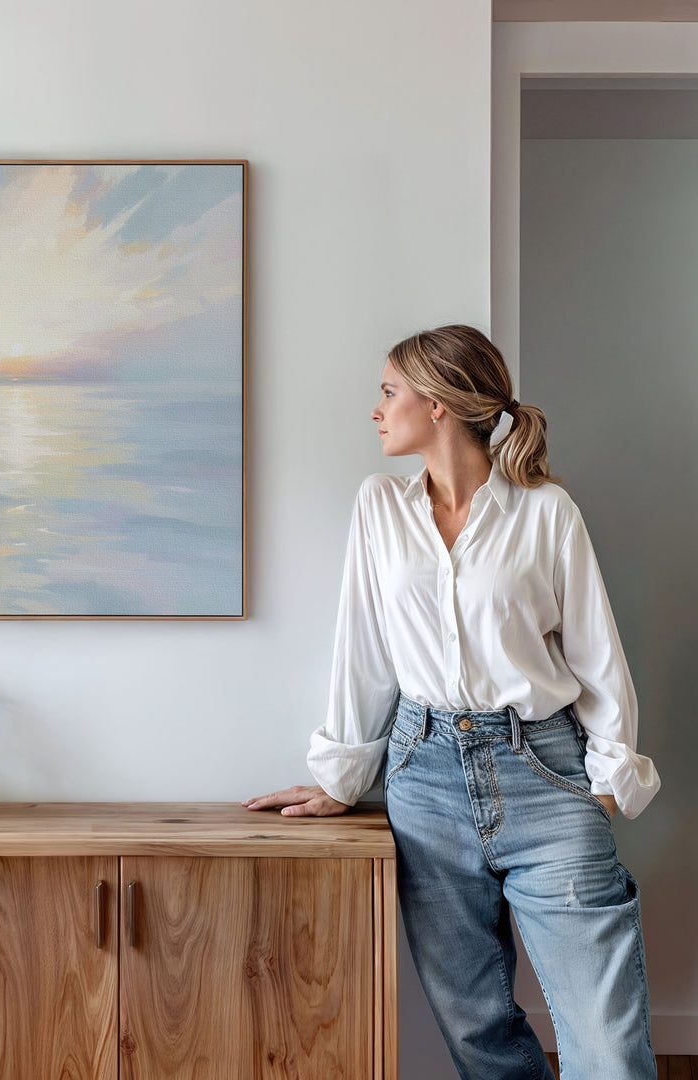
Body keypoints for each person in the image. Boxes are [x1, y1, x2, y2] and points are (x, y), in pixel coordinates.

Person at [243, 325, 660, 1080]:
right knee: (478, 1032)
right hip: (423, 776)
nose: (376, 410)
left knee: (606, 1040)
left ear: (437, 405)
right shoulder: (379, 507)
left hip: (546, 770)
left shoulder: (546, 512)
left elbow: (598, 655)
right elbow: (362, 648)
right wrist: (343, 777)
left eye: (388, 392)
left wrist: (605, 781)